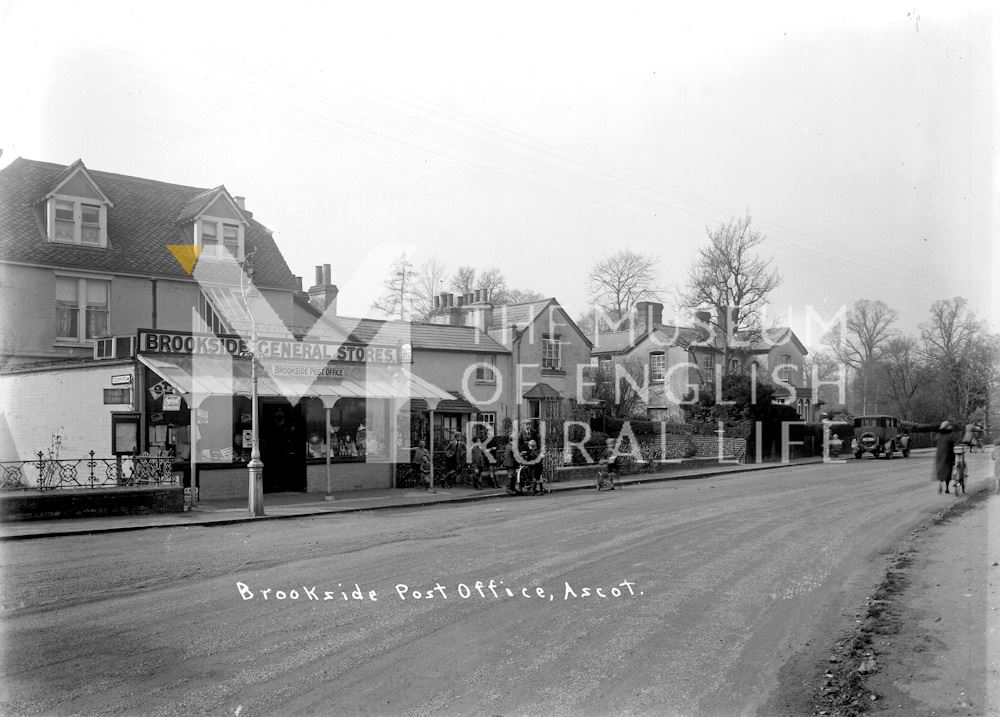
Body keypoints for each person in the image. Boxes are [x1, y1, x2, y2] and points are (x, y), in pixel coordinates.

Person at [934, 420, 958, 494]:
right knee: (948, 471)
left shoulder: (938, 435)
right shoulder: (950, 435)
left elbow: (936, 441)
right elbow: (954, 441)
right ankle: (947, 488)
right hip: (948, 455)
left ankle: (940, 484)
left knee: (941, 469)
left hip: (939, 455)